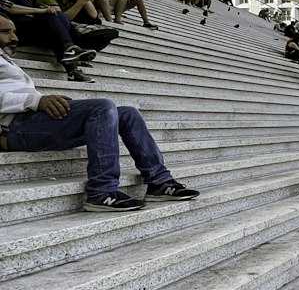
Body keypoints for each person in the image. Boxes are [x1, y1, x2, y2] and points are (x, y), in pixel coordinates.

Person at [0, 13, 199, 211]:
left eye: (14, 31)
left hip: (31, 120)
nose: (14, 37)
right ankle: (101, 191)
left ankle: (159, 182)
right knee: (101, 107)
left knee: (128, 114)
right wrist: (36, 100)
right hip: (13, 127)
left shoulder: (5, 59)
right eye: (5, 32)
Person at [0, 0, 96, 77]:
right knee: (52, 15)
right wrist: (40, 10)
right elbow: (8, 7)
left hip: (21, 26)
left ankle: (71, 61)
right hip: (8, 28)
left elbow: (94, 15)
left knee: (53, 17)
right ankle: (70, 56)